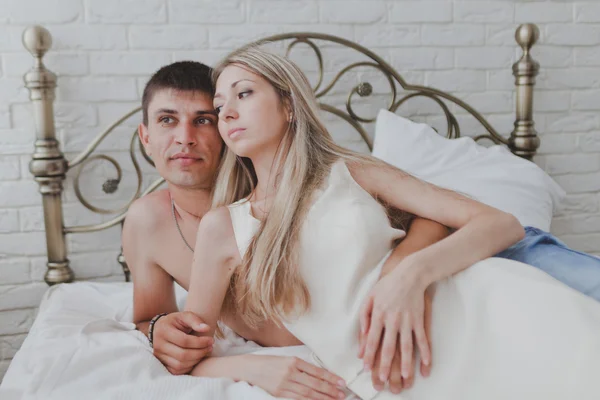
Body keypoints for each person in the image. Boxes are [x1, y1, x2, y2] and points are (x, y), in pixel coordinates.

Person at [182, 46, 600, 399]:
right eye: (219, 107)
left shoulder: (350, 171)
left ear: (289, 106)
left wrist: (408, 276)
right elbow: (190, 359)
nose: (228, 113)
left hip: (489, 306)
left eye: (244, 94)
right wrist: (258, 370)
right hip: (398, 376)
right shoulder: (223, 228)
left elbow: (501, 224)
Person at [123, 60, 450, 399]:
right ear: (145, 136)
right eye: (166, 120)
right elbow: (148, 318)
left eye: (204, 119)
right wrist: (159, 329)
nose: (185, 138)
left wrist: (406, 273)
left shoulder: (280, 185)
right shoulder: (148, 222)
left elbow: (432, 217)